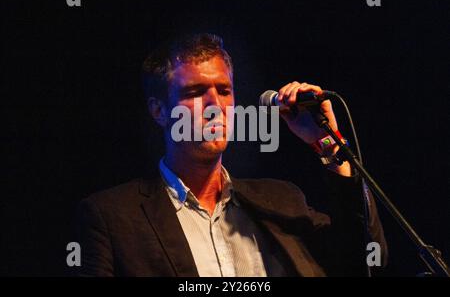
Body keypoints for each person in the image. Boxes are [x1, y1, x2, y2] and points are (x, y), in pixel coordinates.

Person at [76, 33, 387, 276]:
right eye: (196, 92)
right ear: (159, 110)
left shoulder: (282, 201)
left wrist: (328, 143)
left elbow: (367, 261)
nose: (216, 105)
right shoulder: (112, 216)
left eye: (224, 91)